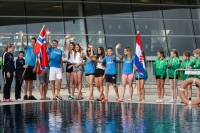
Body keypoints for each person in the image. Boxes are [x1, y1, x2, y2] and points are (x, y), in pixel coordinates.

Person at [46, 29, 64, 100]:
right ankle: (54, 95)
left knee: (59, 80)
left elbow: (60, 59)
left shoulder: (60, 51)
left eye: (55, 43)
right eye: (53, 43)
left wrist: (62, 67)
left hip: (58, 67)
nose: (54, 44)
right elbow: (47, 42)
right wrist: (48, 35)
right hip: (52, 67)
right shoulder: (50, 49)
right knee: (52, 81)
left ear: (57, 44)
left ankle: (58, 94)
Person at [19, 31, 37, 100]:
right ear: (30, 42)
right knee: (26, 81)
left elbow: (37, 59)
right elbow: (22, 44)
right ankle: (25, 95)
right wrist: (22, 36)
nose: (32, 42)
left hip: (33, 66)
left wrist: (35, 67)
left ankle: (30, 95)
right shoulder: (28, 48)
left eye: (34, 41)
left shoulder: (36, 50)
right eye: (31, 41)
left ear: (35, 42)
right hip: (27, 66)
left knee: (31, 81)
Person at [63, 34, 75, 100]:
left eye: (71, 45)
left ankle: (72, 94)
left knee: (73, 81)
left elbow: (67, 46)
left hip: (73, 65)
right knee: (68, 80)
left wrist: (70, 40)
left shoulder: (74, 52)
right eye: (70, 45)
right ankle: (69, 93)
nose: (70, 46)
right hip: (68, 64)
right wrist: (65, 38)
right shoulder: (66, 51)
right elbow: (64, 45)